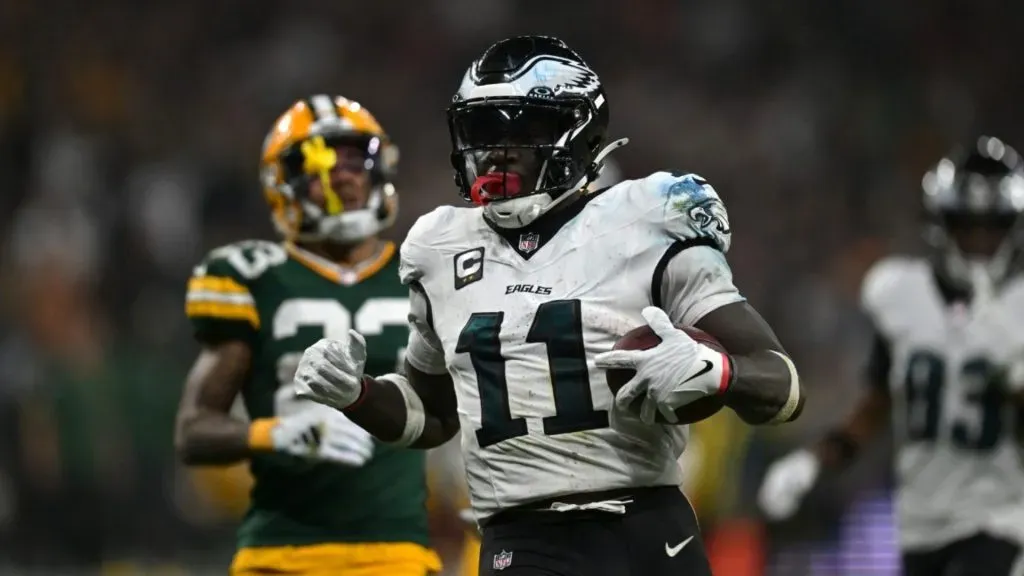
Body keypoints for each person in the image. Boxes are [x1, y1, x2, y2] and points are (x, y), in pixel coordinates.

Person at [295, 36, 804, 576]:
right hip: (521, 543)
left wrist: (717, 372)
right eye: (483, 131)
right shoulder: (438, 249)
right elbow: (433, 415)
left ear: (578, 130)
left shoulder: (649, 219)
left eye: (522, 130)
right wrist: (358, 393)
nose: (496, 151)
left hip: (648, 534)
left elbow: (783, 386)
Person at [174, 95, 441, 576]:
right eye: (318, 164)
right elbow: (193, 432)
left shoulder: (423, 271)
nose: (343, 176)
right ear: (283, 184)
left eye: (355, 159)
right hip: (279, 554)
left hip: (395, 552)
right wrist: (277, 433)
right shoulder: (252, 276)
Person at [758, 136, 1024, 575]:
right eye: (968, 227)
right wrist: (813, 460)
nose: (980, 241)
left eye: (992, 228)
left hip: (999, 520)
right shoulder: (901, 294)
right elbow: (877, 405)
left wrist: (1013, 374)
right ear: (943, 225)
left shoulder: (1018, 308)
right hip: (919, 524)